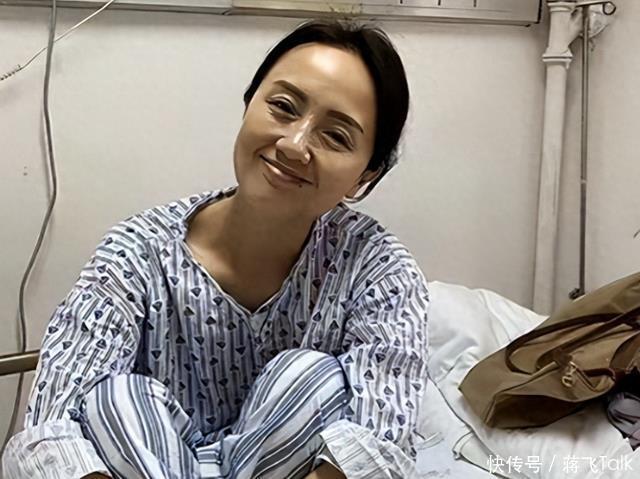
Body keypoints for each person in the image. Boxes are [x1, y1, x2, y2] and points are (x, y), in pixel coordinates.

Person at [3, 20, 429, 479]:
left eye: (336, 136)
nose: (294, 145)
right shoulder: (137, 254)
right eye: (283, 107)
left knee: (312, 379)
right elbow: (51, 431)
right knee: (114, 400)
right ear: (249, 105)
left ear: (365, 176)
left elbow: (381, 442)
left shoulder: (376, 270)